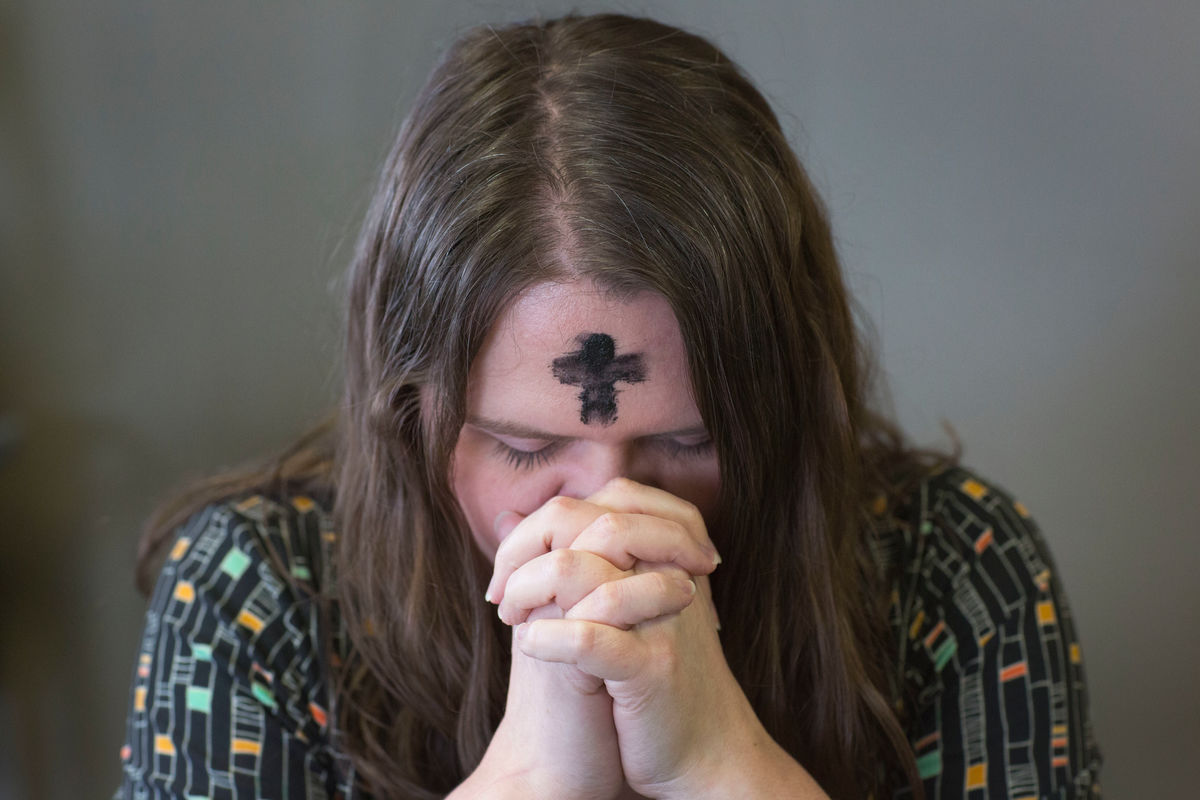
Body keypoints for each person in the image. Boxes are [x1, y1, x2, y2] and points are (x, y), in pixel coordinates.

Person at [114, 13, 1101, 800]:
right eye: (523, 446)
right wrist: (531, 779)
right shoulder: (258, 594)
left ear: (787, 400)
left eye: (689, 439)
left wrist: (725, 768)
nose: (608, 512)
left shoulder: (957, 568)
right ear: (412, 414)